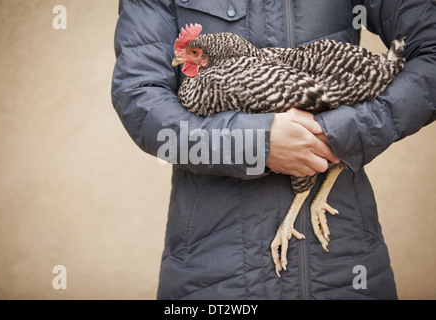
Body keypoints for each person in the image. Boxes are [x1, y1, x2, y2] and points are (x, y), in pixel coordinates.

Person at [111, 0, 435, 299]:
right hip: (215, 271)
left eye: (193, 54)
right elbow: (139, 98)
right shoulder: (220, 79)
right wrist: (257, 142)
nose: (182, 58)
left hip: (343, 262)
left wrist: (341, 132)